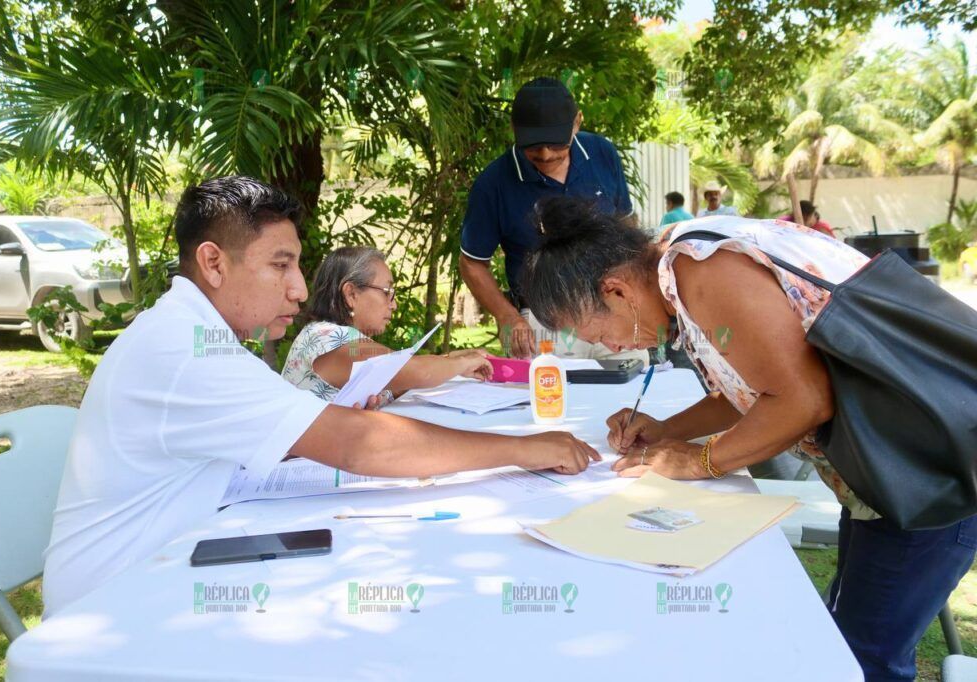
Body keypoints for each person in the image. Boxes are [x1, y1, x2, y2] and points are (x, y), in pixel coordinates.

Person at [41, 177, 600, 617]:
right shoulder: (188, 348)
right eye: (280, 265)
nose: (300, 289)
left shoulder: (191, 333)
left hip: (171, 570)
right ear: (213, 263)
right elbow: (358, 444)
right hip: (120, 610)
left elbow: (291, 439)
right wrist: (524, 449)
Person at [519, 195, 976, 682]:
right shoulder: (680, 274)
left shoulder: (704, 271)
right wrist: (667, 430)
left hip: (932, 469)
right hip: (887, 468)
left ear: (615, 291)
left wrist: (699, 461)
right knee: (840, 630)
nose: (611, 346)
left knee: (861, 658)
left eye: (598, 333)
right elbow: (758, 383)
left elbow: (802, 400)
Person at [458, 76, 645, 365]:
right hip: (543, 322)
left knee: (633, 399)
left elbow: (626, 227)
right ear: (514, 130)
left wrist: (641, 296)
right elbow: (471, 262)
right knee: (547, 404)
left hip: (614, 309)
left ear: (577, 122)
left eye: (556, 143)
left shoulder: (603, 155)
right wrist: (506, 315)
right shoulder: (493, 183)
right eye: (533, 145)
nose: (545, 155)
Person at [282, 246, 492, 402]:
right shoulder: (329, 338)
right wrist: (462, 363)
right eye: (387, 292)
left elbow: (403, 377)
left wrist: (450, 360)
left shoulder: (326, 335)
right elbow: (417, 372)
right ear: (351, 294)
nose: (394, 304)